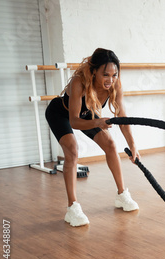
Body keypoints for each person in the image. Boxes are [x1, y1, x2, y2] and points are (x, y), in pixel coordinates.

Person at [45, 48, 140, 227]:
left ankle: (122, 195)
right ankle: (72, 208)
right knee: (72, 150)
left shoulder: (115, 84)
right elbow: (74, 121)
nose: (110, 80)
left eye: (114, 75)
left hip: (87, 114)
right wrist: (98, 123)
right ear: (94, 71)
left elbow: (123, 118)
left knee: (110, 144)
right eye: (105, 75)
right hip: (61, 113)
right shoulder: (79, 82)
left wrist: (133, 145)